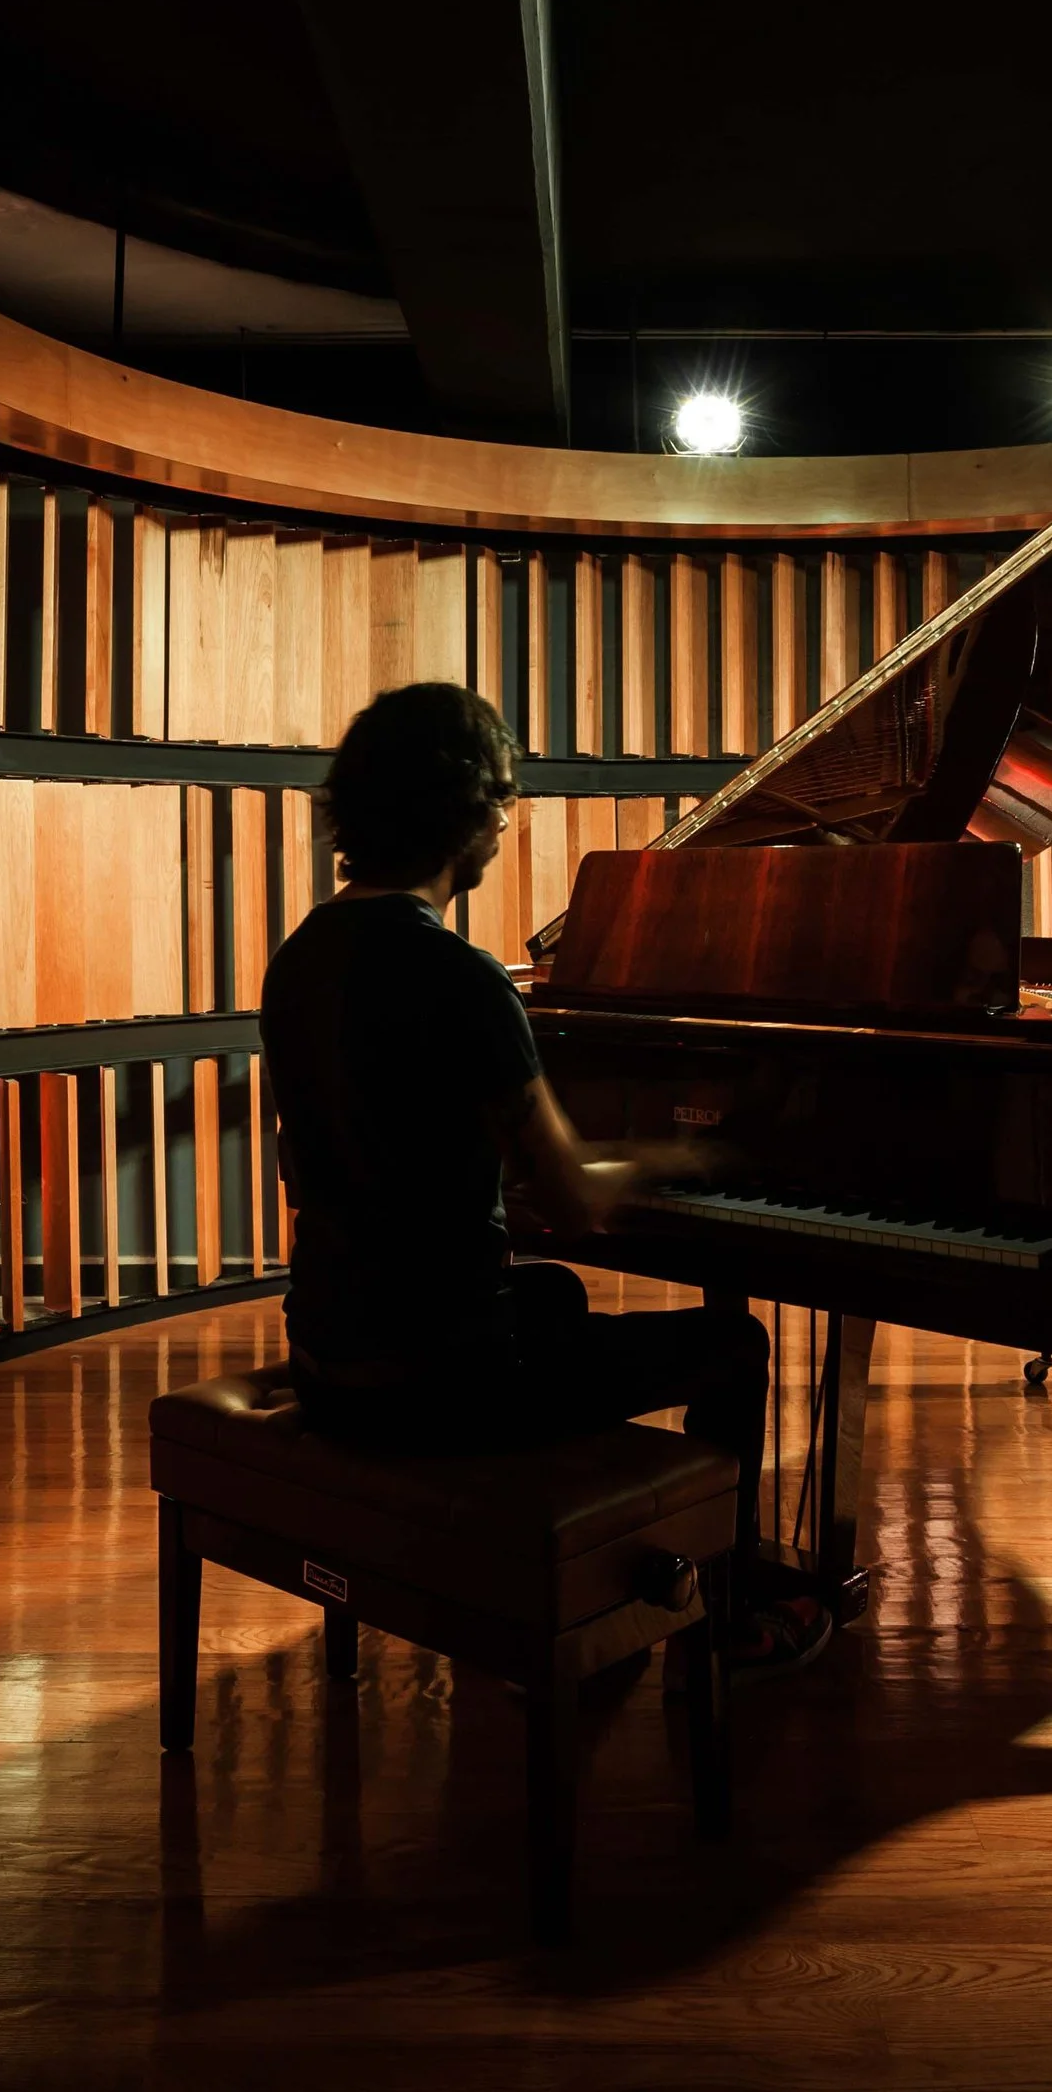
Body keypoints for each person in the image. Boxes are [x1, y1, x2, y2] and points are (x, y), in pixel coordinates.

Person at [259, 678, 831, 1675]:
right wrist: (701, 1157)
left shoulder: (301, 956)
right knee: (735, 1342)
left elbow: (299, 1162)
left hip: (330, 1351)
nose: (507, 822)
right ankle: (727, 1606)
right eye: (506, 797)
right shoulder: (459, 978)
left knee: (554, 1294)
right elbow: (574, 1196)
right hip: (441, 1387)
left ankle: (617, 1575)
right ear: (467, 811)